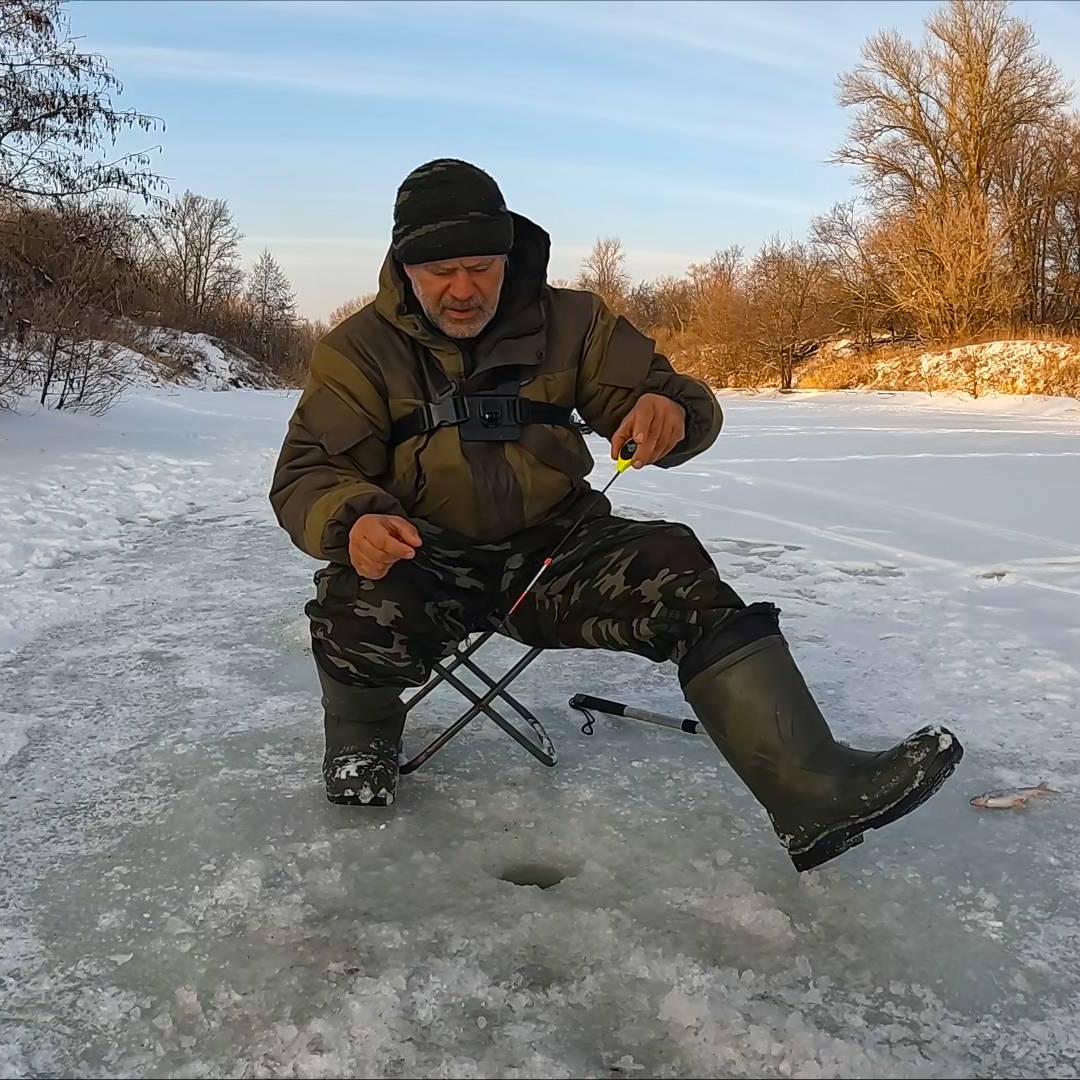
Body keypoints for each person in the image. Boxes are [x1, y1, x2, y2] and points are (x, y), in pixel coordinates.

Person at [269, 158, 962, 872]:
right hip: (421, 559)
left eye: (481, 264)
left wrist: (669, 411)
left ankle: (811, 787)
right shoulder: (355, 352)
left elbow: (670, 396)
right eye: (441, 269)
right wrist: (351, 521)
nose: (464, 287)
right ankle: (362, 740)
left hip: (556, 553)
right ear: (405, 266)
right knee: (352, 605)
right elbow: (305, 474)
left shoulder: (574, 322)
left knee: (677, 565)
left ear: (508, 253)